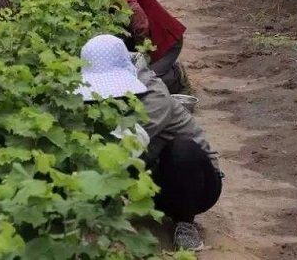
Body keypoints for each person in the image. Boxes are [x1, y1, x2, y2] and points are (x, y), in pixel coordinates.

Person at [77, 35, 222, 252]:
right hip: (148, 182)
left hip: (195, 186)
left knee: (183, 149)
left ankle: (185, 223)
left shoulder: (154, 98)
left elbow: (122, 149)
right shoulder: (98, 95)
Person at [68, 0, 186, 93]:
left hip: (166, 43)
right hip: (158, 40)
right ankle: (164, 69)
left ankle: (177, 76)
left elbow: (140, 22)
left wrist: (142, 54)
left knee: (145, 84)